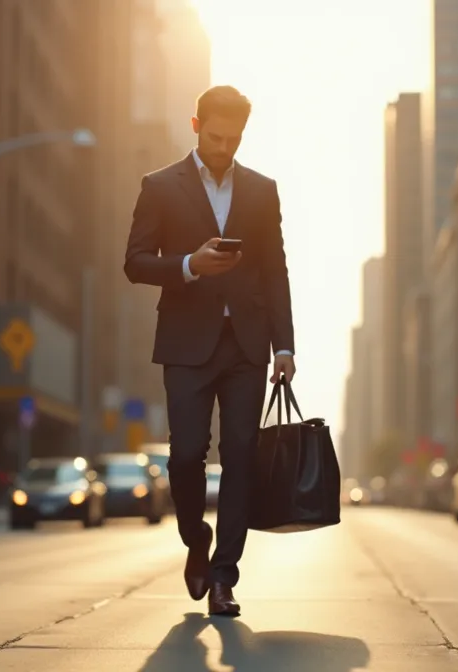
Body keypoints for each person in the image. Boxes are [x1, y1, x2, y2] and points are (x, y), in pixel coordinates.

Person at [122, 85, 296, 617]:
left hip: (247, 345)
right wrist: (189, 265)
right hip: (186, 341)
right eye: (216, 136)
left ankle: (224, 576)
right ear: (196, 126)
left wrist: (284, 346)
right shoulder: (159, 186)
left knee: (240, 456)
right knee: (185, 455)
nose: (225, 147)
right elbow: (134, 262)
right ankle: (196, 538)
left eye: (235, 138)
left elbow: (274, 271)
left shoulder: (262, 191)